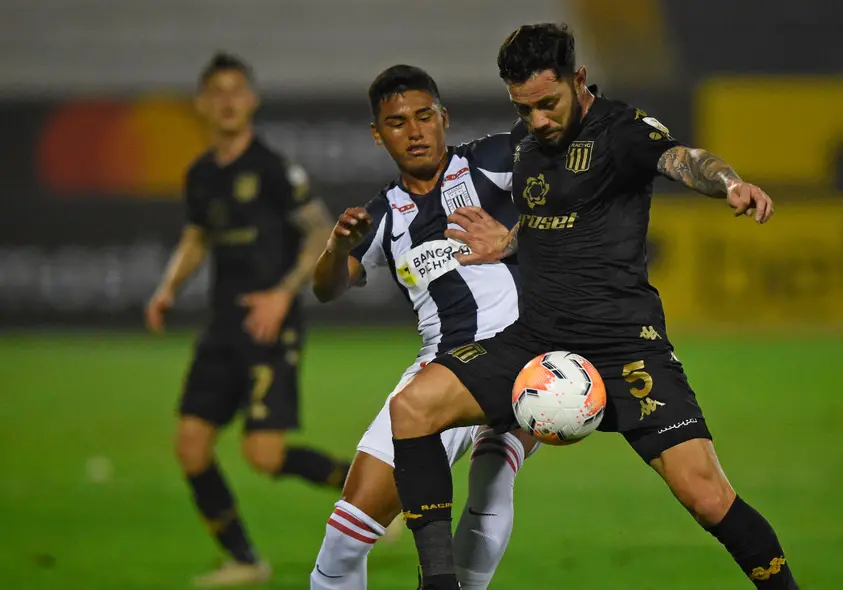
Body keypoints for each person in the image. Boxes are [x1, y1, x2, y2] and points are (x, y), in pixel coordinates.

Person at [385, 24, 800, 590]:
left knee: (707, 497)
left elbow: (684, 158)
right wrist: (505, 242)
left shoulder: (621, 132)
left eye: (548, 104)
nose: (538, 121)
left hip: (624, 348)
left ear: (578, 80)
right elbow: (554, 221)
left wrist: (728, 183)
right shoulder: (529, 143)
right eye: (524, 108)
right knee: (412, 409)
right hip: (536, 340)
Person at [309, 64, 538, 590]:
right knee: (346, 535)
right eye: (396, 122)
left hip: (522, 354)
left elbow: (566, 157)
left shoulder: (492, 162)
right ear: (377, 134)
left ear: (443, 117)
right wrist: (337, 246)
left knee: (491, 476)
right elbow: (326, 287)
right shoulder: (383, 216)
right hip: (440, 367)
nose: (414, 132)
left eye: (423, 116)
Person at [145, 52, 352, 587]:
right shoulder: (200, 175)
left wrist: (283, 295)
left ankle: (372, 491)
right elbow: (197, 237)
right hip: (222, 327)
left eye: (237, 90)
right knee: (190, 446)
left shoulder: (273, 168)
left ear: (252, 100)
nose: (228, 100)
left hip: (269, 326)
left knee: (264, 454)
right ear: (202, 104)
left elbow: (318, 233)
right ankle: (245, 560)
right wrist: (168, 288)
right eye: (217, 91)